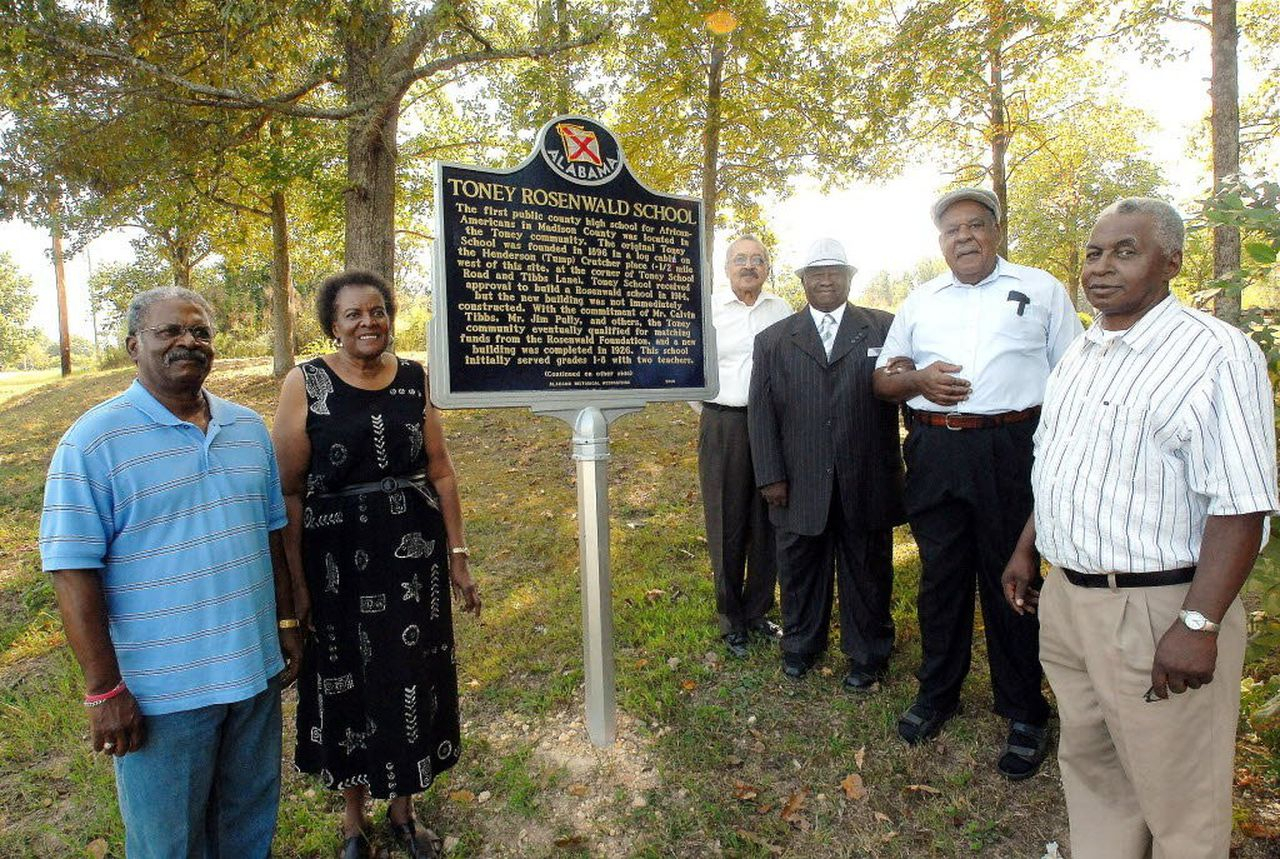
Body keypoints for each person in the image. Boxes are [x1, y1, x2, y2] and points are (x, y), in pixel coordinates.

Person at [1002, 198, 1277, 857]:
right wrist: (1025, 548)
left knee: (1179, 799)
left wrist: (1199, 625)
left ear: (1171, 261)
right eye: (1094, 253)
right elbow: (1064, 464)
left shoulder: (1214, 354)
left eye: (1125, 251)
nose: (1101, 268)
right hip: (1070, 602)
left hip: (1158, 611)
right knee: (1095, 768)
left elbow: (1241, 503)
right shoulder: (1082, 352)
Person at [39, 286, 303, 859]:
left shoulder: (247, 429)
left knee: (247, 828)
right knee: (168, 844)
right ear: (134, 345)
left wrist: (285, 625)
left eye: (201, 331)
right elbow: (71, 571)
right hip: (163, 696)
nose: (188, 341)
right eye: (169, 332)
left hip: (253, 678)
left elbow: (270, 534)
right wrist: (104, 691)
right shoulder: (93, 441)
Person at [872, 188, 1081, 779]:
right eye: (950, 231)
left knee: (1012, 579)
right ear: (940, 243)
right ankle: (938, 693)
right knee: (942, 578)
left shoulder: (1041, 289)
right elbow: (883, 381)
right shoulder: (920, 300)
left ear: (995, 231)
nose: (962, 237)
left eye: (974, 226)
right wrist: (916, 379)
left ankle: (1023, 709)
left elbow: (1072, 378)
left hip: (1011, 450)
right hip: (937, 449)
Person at [273, 270, 480, 859]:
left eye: (378, 312)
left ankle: (405, 812)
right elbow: (287, 489)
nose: (369, 322)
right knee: (348, 681)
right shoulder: (305, 382)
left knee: (410, 673)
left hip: (411, 556)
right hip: (336, 555)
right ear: (332, 326)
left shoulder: (415, 378)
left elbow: (439, 469)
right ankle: (352, 821)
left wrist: (457, 555)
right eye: (353, 315)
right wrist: (296, 580)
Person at [748, 237, 906, 688]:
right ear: (802, 282)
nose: (825, 280)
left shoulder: (883, 329)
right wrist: (771, 476)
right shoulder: (774, 340)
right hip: (797, 481)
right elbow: (761, 414)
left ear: (850, 278)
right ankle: (800, 645)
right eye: (815, 273)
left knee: (868, 569)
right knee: (799, 568)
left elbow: (905, 392)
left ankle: (868, 652)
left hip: (867, 476)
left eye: (835, 272)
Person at [699, 236, 793, 658]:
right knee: (727, 520)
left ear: (768, 267)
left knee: (769, 520)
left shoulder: (782, 310)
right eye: (741, 259)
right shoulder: (709, 311)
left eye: (758, 259)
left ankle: (757, 610)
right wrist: (714, 409)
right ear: (726, 267)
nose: (749, 266)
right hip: (726, 423)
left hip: (774, 426)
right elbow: (689, 368)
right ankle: (730, 616)